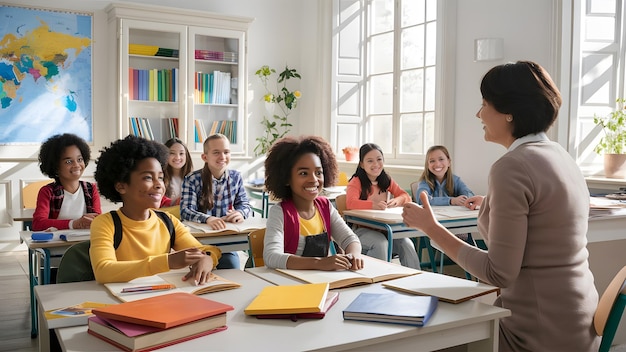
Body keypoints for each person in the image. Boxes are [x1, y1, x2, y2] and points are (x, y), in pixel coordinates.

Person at [402, 61, 599, 351]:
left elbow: (498, 273)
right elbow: (545, 218)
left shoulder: (512, 167)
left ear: (508, 113)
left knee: (421, 338)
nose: (479, 113)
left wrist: (432, 229)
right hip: (577, 321)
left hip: (537, 332)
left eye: (484, 104)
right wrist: (491, 204)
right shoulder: (560, 155)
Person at [90, 135, 221, 284]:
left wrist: (206, 258)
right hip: (122, 302)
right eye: (147, 177)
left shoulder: (167, 221)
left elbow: (205, 250)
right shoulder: (105, 224)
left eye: (160, 177)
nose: (159, 184)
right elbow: (103, 271)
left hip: (161, 297)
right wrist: (167, 262)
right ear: (121, 186)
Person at [263, 135, 363, 270]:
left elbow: (350, 239)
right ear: (286, 178)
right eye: (304, 173)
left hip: (322, 282)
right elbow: (271, 257)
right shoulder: (280, 212)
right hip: (291, 285)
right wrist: (319, 263)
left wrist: (353, 255)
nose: (313, 179)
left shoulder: (326, 207)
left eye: (318, 172)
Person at [180, 133, 251, 269]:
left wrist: (241, 213)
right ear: (205, 157)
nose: (222, 157)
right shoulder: (192, 179)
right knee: (202, 274)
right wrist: (208, 219)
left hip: (227, 241)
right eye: (216, 152)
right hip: (200, 242)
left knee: (232, 268)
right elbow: (185, 211)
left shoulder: (236, 177)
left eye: (226, 152)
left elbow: (245, 204)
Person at [345, 143, 420, 269]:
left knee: (406, 243)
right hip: (360, 231)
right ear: (362, 164)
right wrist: (372, 205)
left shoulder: (385, 180)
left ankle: (417, 282)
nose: (376, 164)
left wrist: (397, 200)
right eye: (370, 161)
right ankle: (378, 280)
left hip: (384, 230)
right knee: (380, 243)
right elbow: (350, 203)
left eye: (379, 159)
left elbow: (406, 196)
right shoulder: (356, 182)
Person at [33, 133, 101, 231]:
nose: (77, 165)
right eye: (69, 161)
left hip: (86, 244)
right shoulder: (47, 192)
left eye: (79, 159)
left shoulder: (91, 189)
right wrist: (73, 224)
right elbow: (38, 224)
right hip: (56, 245)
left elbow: (98, 221)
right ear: (56, 167)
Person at [163, 138, 193, 206]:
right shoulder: (160, 178)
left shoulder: (192, 178)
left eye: (181, 153)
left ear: (186, 156)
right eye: (172, 153)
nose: (177, 157)